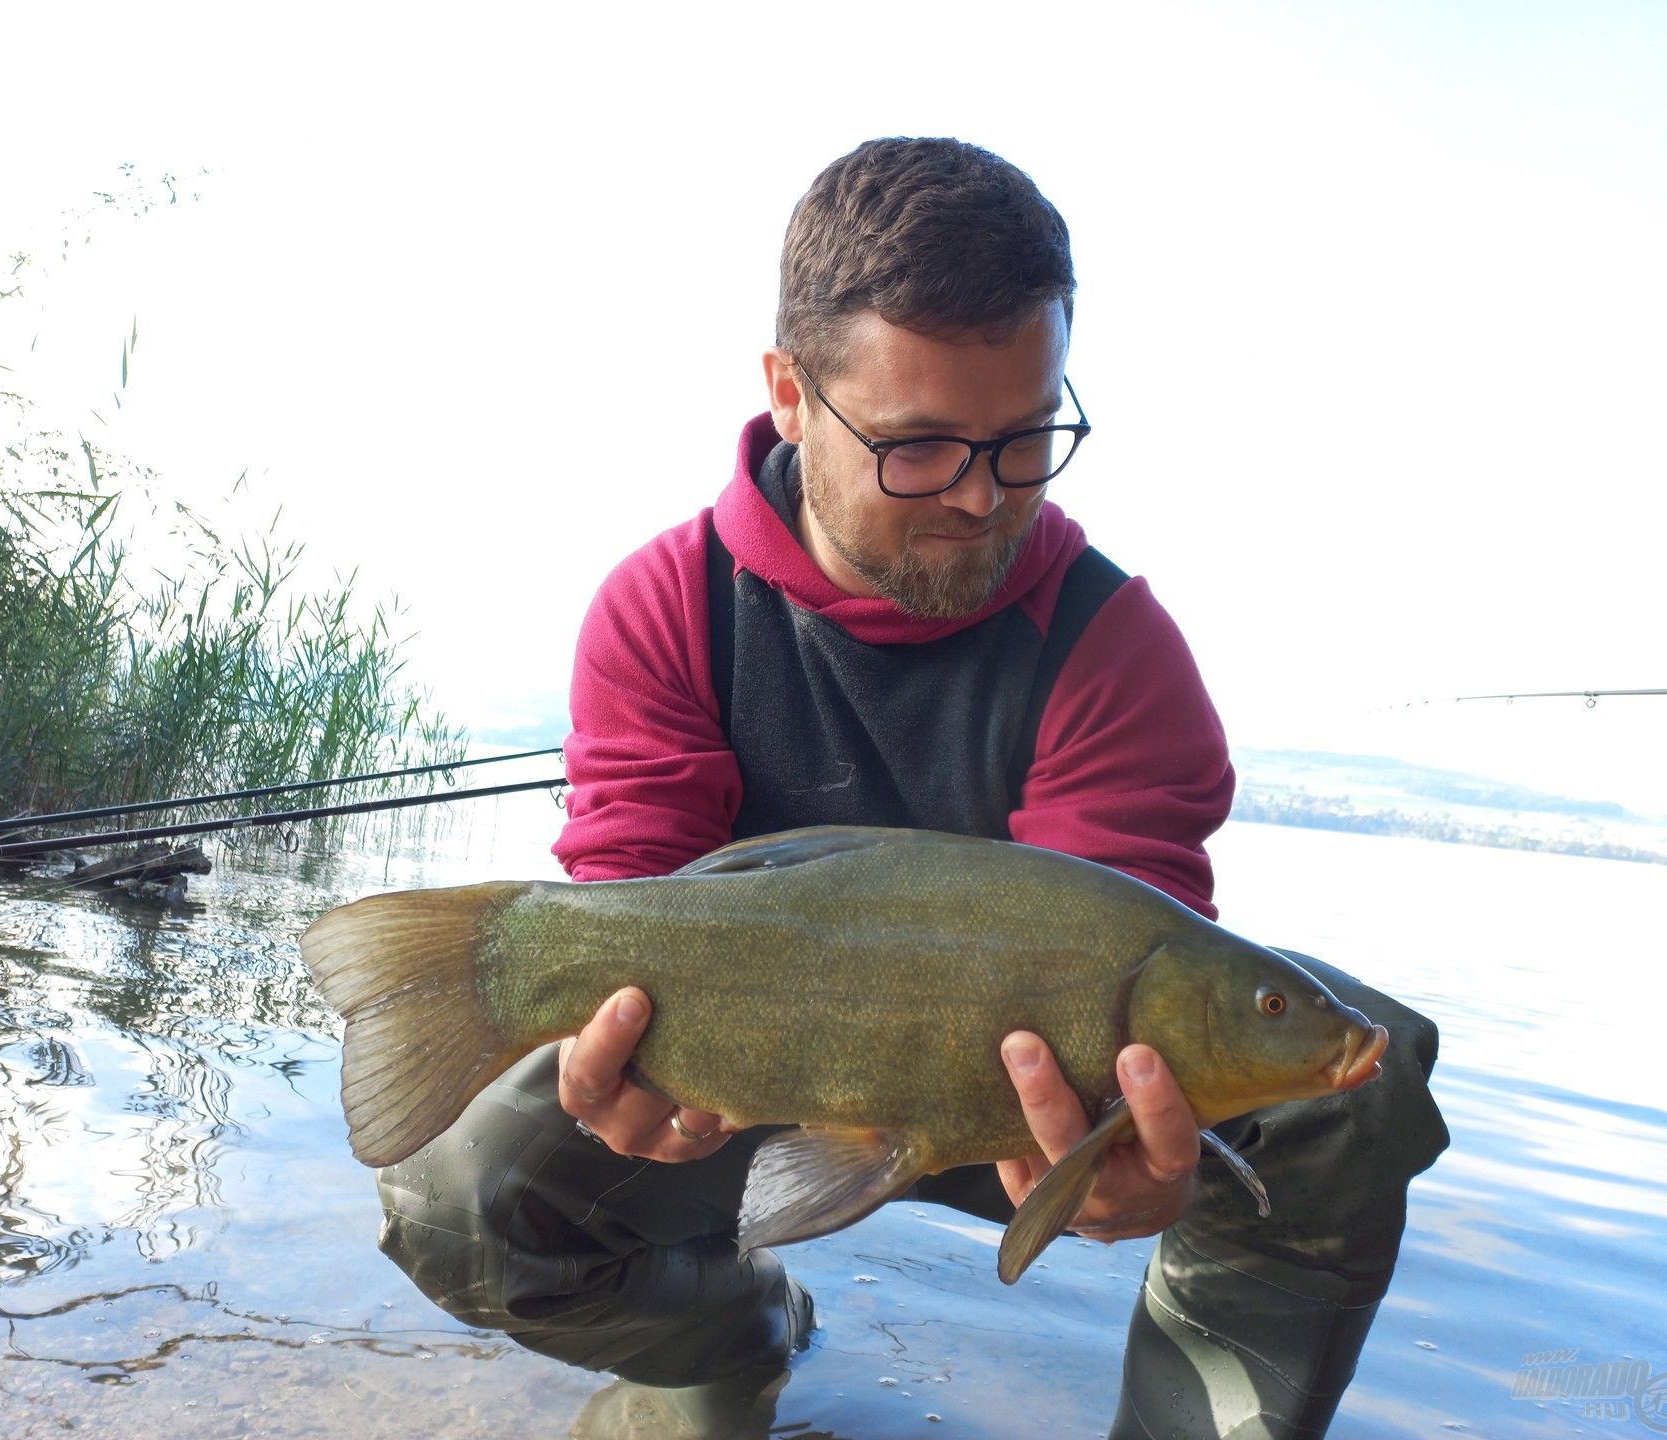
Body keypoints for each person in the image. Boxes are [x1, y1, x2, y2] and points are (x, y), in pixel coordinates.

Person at [374, 137, 1449, 1439]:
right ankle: (732, 1343)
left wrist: (1126, 1170)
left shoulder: (1116, 651)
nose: (981, 497)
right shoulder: (666, 608)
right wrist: (622, 1085)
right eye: (919, 447)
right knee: (455, 1194)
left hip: (1020, 1119)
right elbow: (628, 910)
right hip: (751, 1083)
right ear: (789, 394)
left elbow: (1129, 960)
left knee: (1359, 1095)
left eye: (1024, 438)